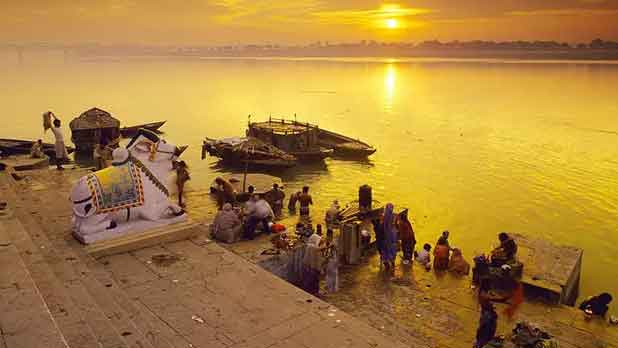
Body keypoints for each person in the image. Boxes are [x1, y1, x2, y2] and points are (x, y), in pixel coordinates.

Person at [382, 203, 398, 270]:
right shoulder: (391, 216)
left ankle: (387, 262)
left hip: (387, 237)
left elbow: (384, 226)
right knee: (391, 249)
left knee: (386, 250)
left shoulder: (386, 216)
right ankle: (391, 262)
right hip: (390, 236)